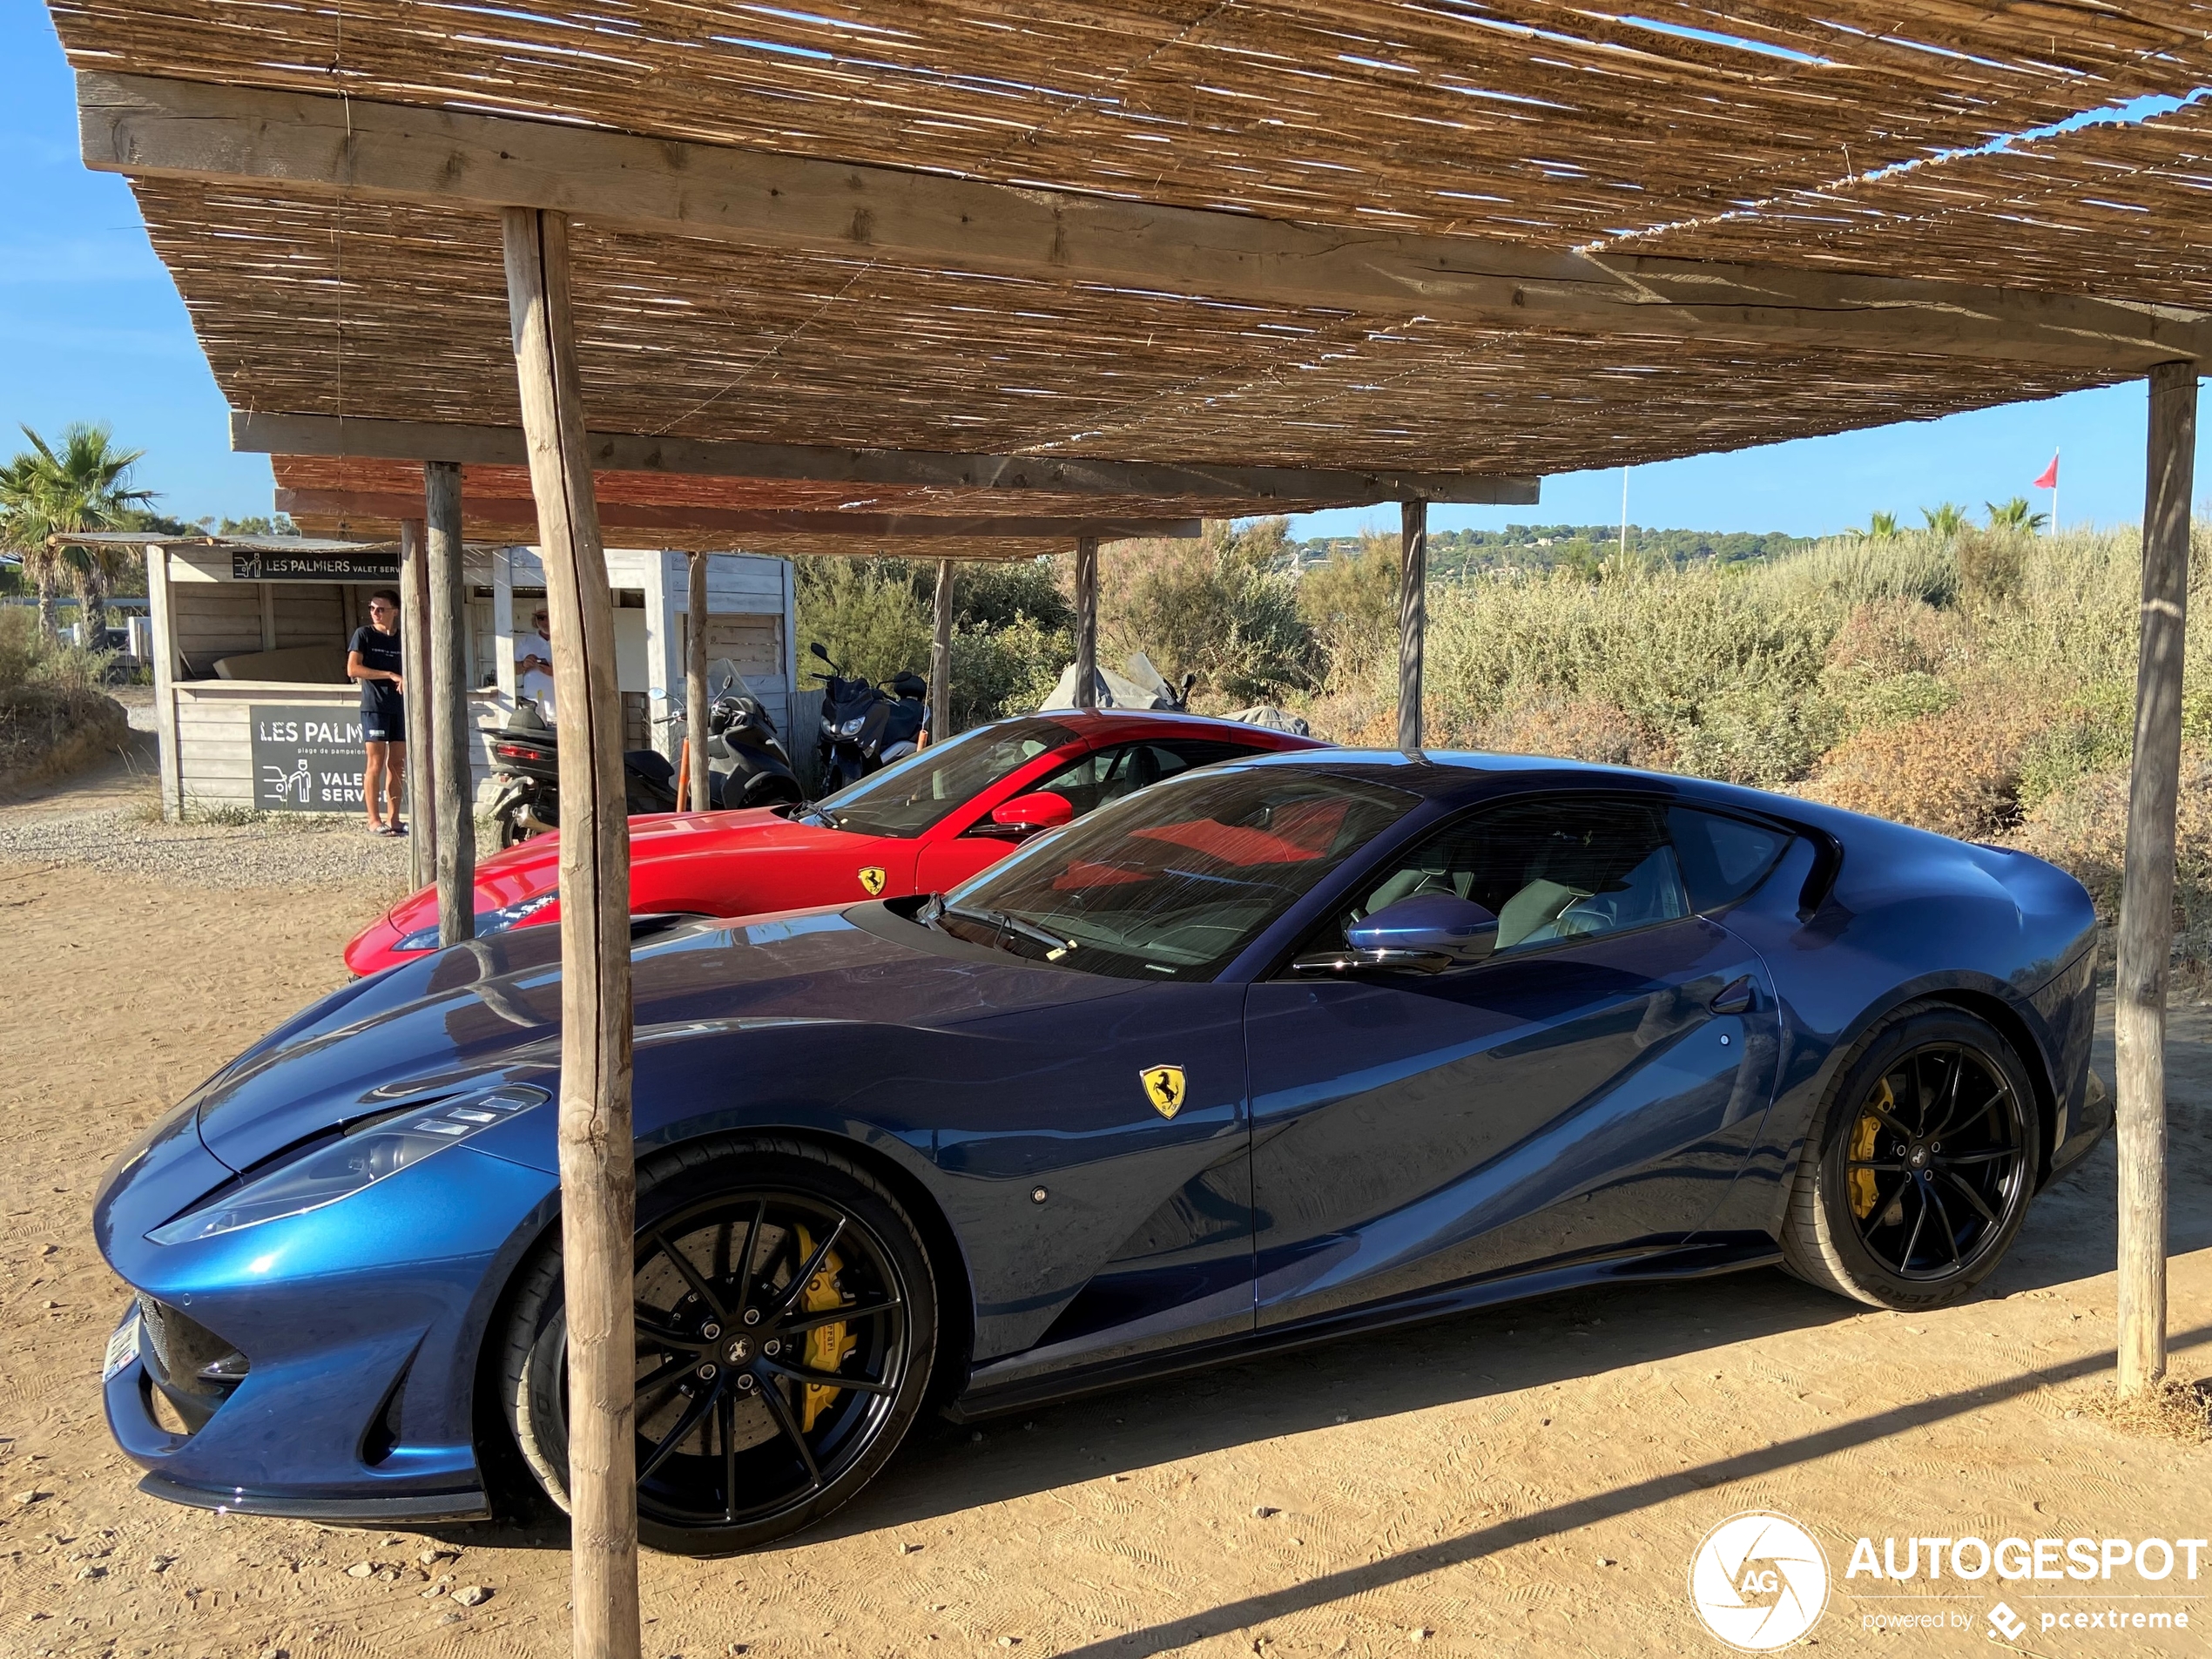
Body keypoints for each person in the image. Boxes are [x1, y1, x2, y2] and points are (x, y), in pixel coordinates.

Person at [347, 590, 408, 835]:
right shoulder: (364, 634)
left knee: (397, 764)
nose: (375, 613)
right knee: (375, 763)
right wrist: (389, 674)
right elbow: (353, 669)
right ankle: (373, 819)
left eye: (381, 609)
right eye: (372, 608)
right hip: (375, 706)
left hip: (401, 707)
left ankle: (394, 819)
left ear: (395, 611)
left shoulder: (403, 637)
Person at [516, 605, 556, 723]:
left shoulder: (567, 639)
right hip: (532, 709)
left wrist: (555, 673)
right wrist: (524, 665)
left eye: (549, 616)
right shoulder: (526, 642)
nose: (545, 621)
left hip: (562, 708)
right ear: (535, 620)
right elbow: (511, 670)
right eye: (541, 617)